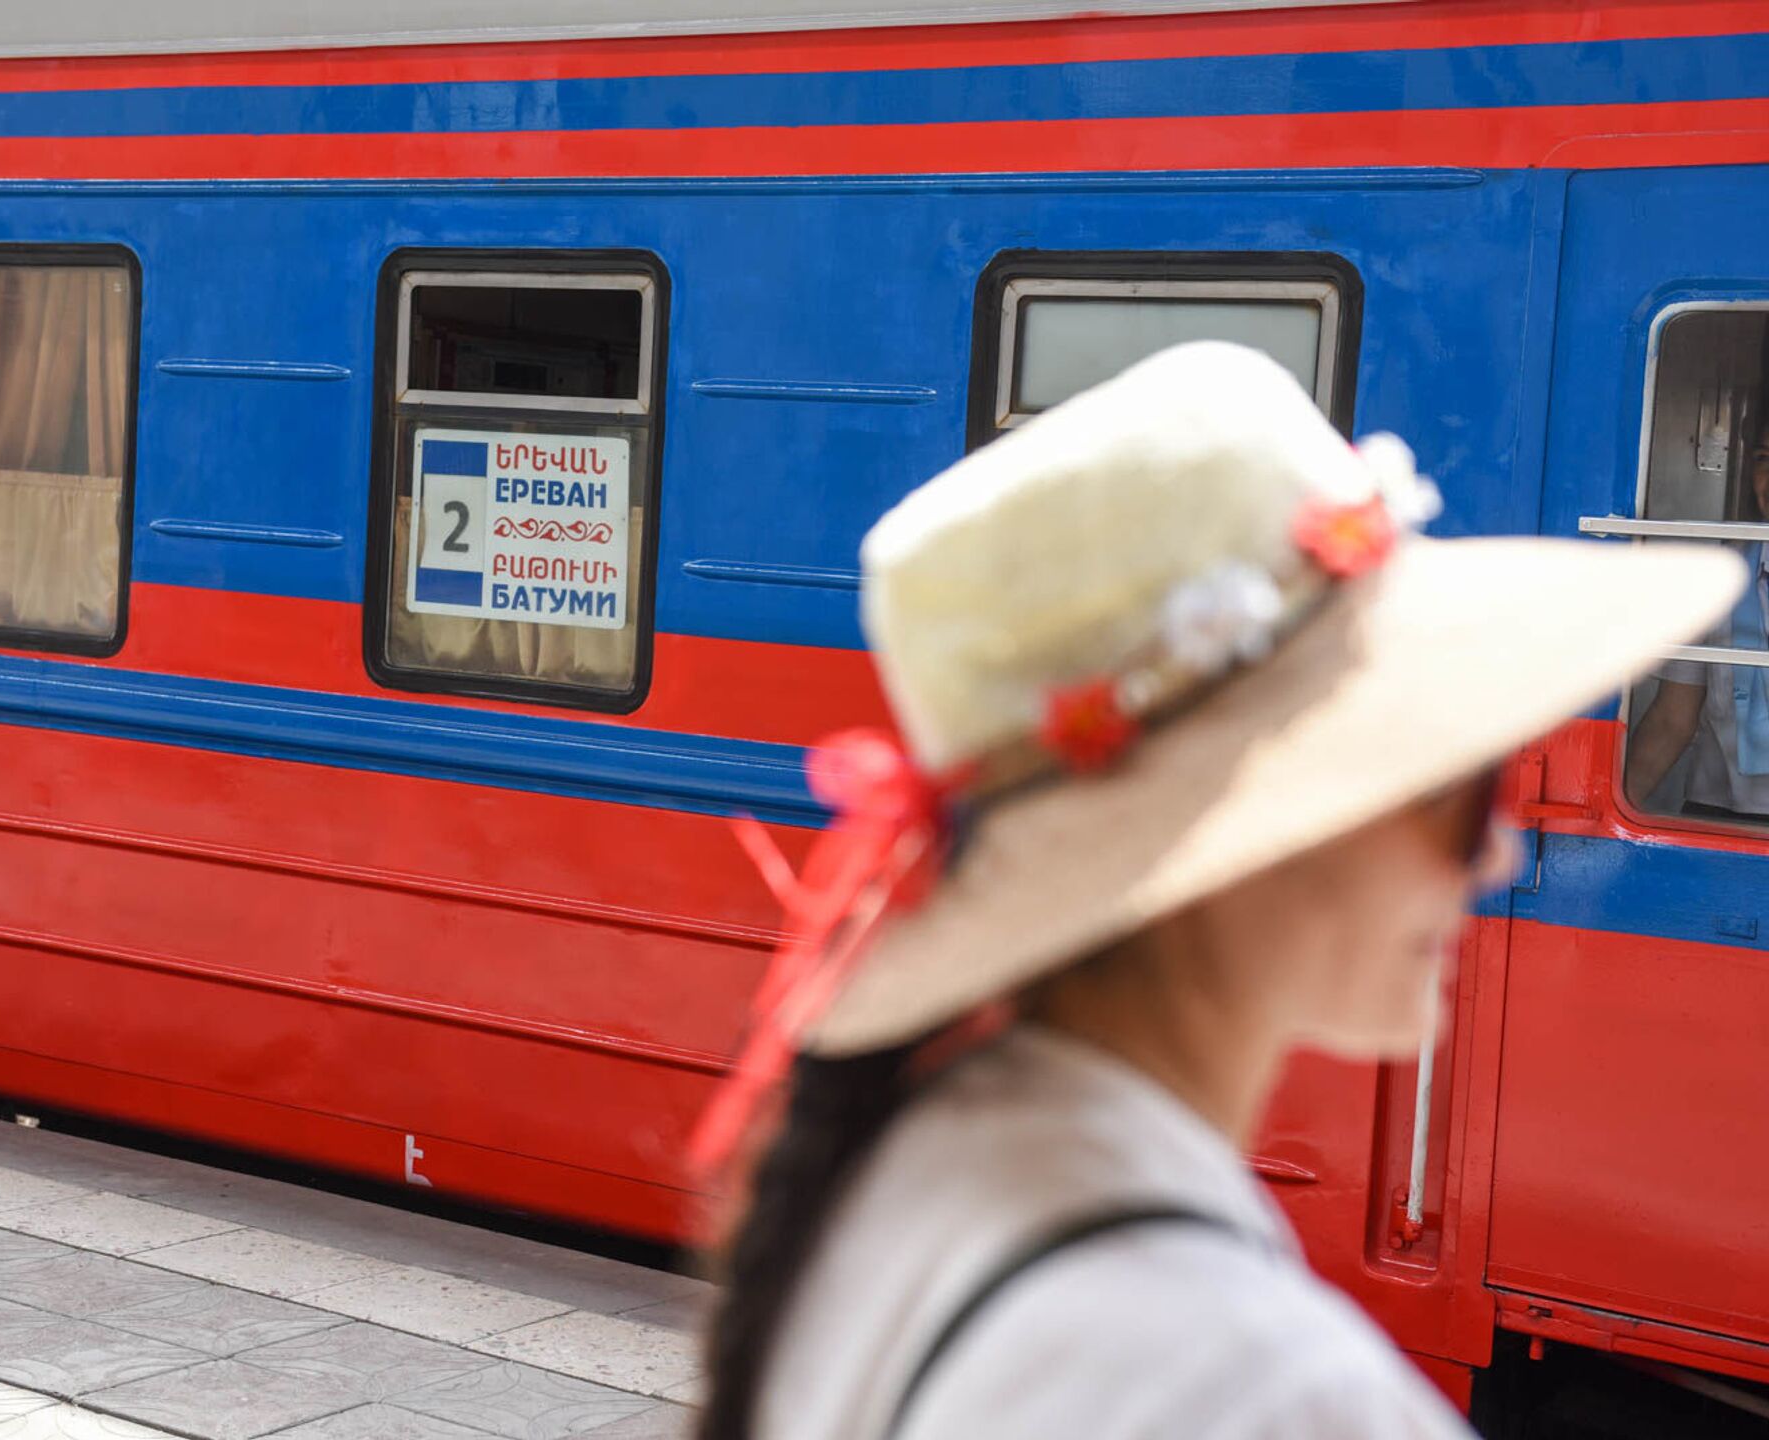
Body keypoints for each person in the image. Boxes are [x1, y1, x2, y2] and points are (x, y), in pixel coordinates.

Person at [688, 343, 1740, 1440]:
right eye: (1457, 787)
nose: (1497, 860)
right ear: (1254, 835)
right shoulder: (1264, 1391)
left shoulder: (915, 1169)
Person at [1624, 436, 1769, 821]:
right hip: (1719, 816)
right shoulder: (1716, 578)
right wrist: (1602, 817)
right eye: (1763, 457)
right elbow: (1673, 718)